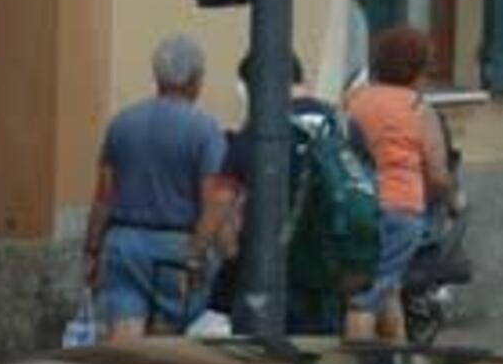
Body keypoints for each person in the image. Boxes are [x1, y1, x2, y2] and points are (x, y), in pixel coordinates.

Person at [207, 53, 370, 329]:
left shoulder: (260, 130)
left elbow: (222, 200)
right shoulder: (344, 125)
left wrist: (231, 255)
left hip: (272, 267)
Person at [84, 36, 227, 343]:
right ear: (194, 80)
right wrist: (197, 253)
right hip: (174, 246)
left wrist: (92, 250)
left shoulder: (122, 123)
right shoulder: (205, 129)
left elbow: (103, 196)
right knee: (169, 336)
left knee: (124, 329)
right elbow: (214, 201)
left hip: (124, 243)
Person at [344, 25, 461, 343]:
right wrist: (453, 200)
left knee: (388, 287)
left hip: (360, 206)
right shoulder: (419, 110)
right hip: (401, 208)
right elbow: (437, 174)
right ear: (419, 68)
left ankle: (399, 358)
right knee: (365, 301)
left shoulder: (356, 101)